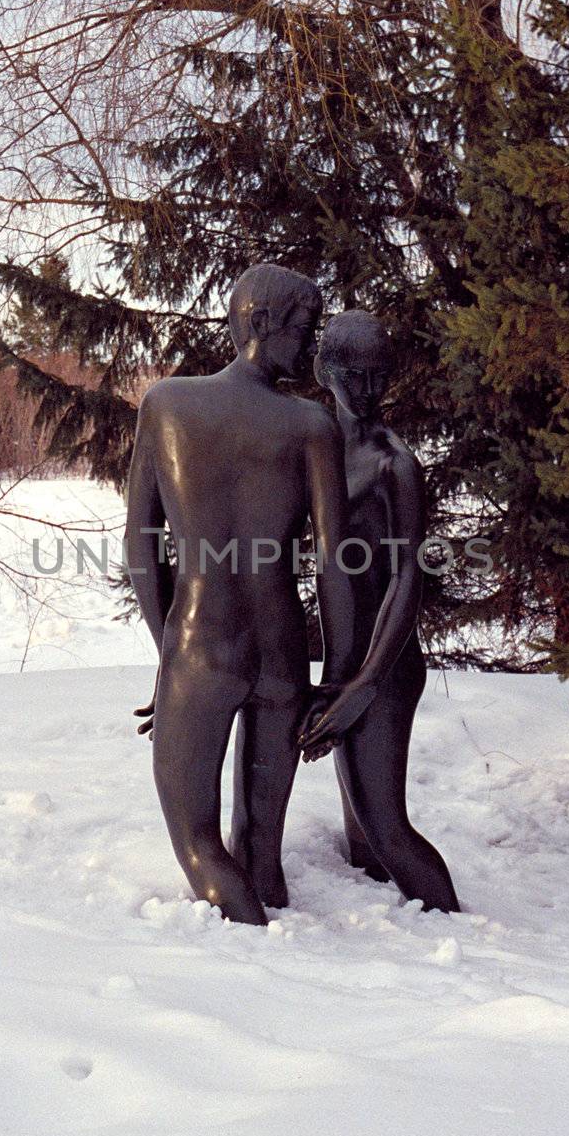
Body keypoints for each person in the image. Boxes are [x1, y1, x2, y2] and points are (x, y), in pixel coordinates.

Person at [124, 263, 354, 925]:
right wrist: (334, 675)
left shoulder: (168, 405)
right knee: (258, 850)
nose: (311, 349)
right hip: (282, 655)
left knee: (198, 845)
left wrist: (170, 655)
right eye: (304, 332)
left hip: (203, 645)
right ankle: (275, 934)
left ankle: (257, 970)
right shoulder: (311, 425)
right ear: (257, 324)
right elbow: (333, 564)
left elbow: (144, 544)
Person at [299, 310, 460, 913]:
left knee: (386, 827)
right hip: (343, 663)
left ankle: (459, 936)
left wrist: (363, 685)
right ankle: (389, 927)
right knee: (364, 839)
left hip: (384, 669)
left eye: (379, 376)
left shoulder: (395, 465)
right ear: (322, 370)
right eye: (353, 376)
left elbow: (408, 577)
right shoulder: (315, 445)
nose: (368, 392)